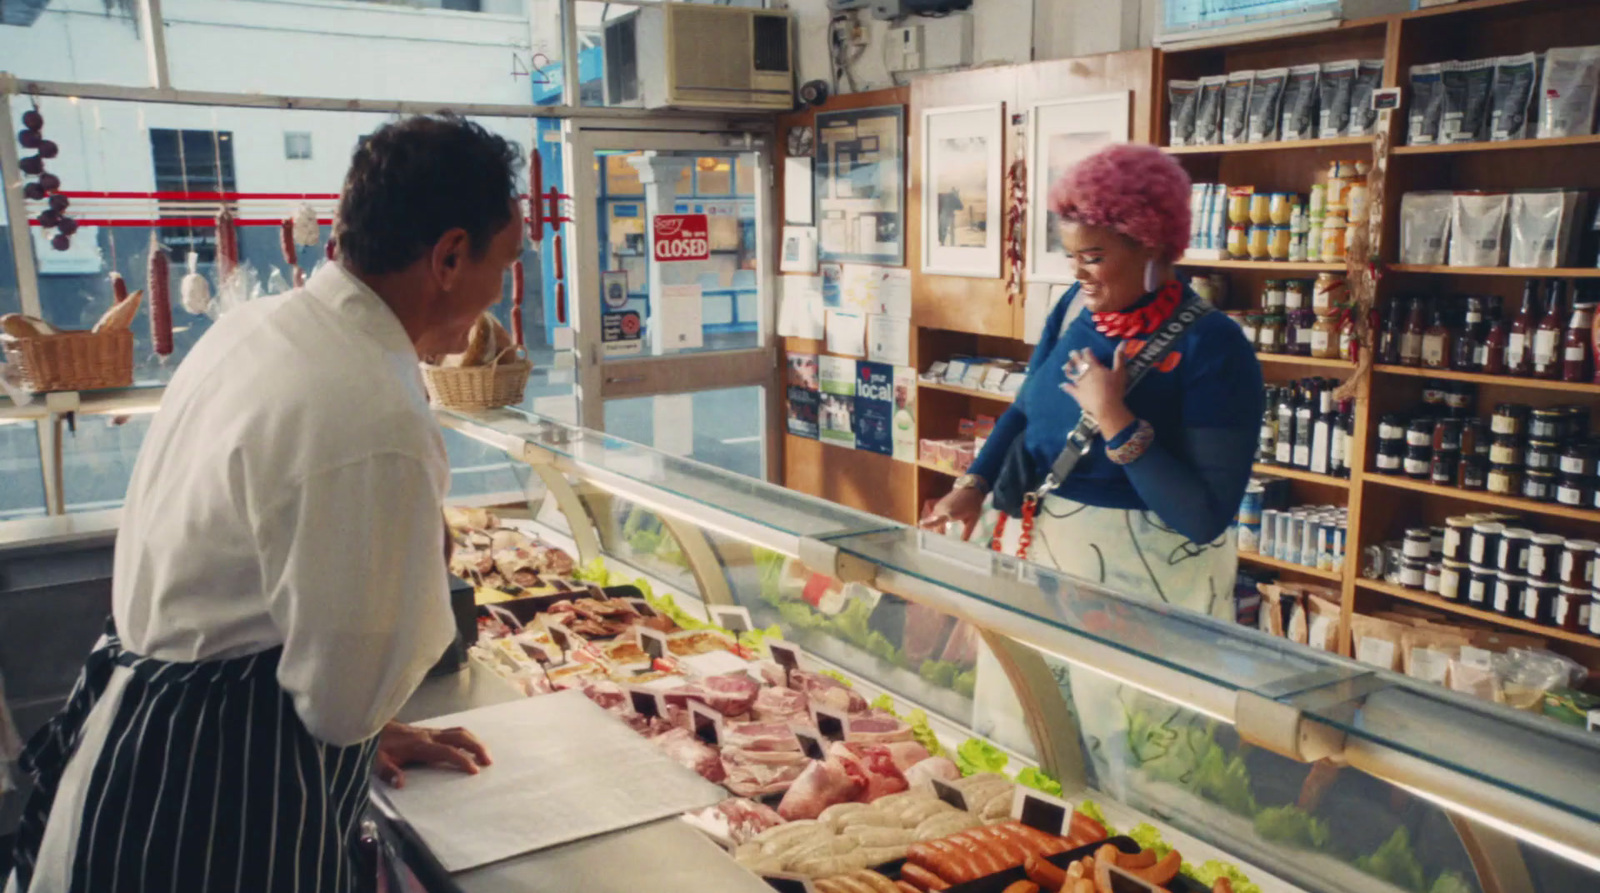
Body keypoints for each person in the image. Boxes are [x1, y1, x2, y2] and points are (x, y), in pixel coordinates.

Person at [6, 115, 524, 893]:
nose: (504, 290)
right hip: (208, 806)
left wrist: (370, 715)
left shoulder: (263, 325)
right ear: (450, 256)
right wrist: (369, 707)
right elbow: (343, 706)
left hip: (139, 750)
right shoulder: (370, 408)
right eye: (507, 261)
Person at [922, 143, 1262, 617]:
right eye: (1071, 256)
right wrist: (974, 484)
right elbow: (1024, 410)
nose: (1077, 272)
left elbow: (1203, 518)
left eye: (1094, 257)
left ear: (1152, 245)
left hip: (1147, 591)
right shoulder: (1074, 309)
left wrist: (1114, 418)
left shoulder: (1214, 346)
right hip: (1040, 560)